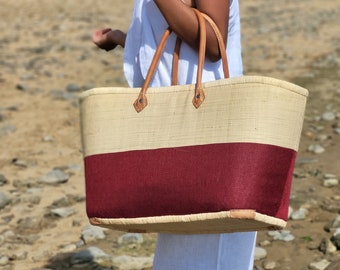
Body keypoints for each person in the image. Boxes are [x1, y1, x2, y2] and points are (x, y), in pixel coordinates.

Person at [92, 0, 257, 269]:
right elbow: (171, 38)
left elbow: (214, 43)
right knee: (185, 241)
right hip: (181, 133)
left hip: (210, 132)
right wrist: (121, 38)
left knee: (211, 245)